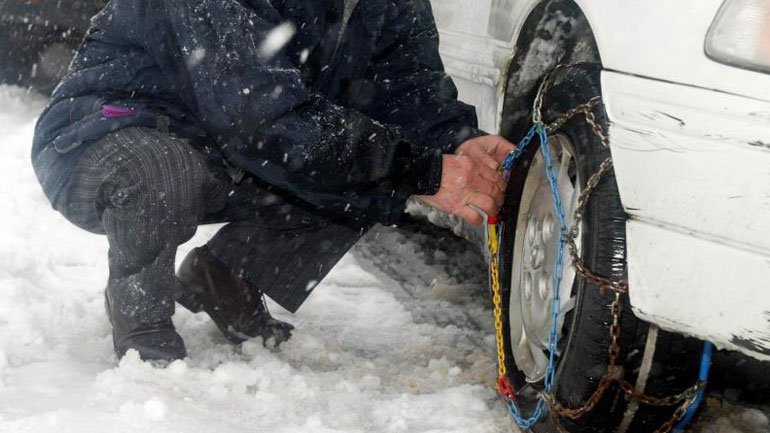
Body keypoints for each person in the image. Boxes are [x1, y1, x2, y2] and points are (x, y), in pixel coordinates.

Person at [31, 0, 516, 362]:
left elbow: (407, 89)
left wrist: (458, 144)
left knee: (365, 170)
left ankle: (227, 275)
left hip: (227, 149)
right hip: (105, 139)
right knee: (165, 168)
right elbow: (260, 118)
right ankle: (140, 313)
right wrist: (422, 170)